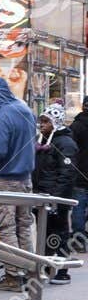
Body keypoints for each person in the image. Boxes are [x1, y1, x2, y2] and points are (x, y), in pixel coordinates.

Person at [0, 75, 37, 292]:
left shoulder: (2, 115)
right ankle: (30, 271)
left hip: (4, 179)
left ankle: (13, 276)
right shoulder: (24, 110)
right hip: (25, 180)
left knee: (6, 228)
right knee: (24, 226)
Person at [34, 104, 77, 283]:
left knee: (60, 233)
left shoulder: (65, 143)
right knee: (44, 233)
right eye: (41, 121)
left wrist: (56, 198)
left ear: (56, 122)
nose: (42, 125)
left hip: (56, 197)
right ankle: (48, 265)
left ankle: (62, 271)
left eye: (46, 121)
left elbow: (67, 173)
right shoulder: (43, 140)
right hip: (42, 194)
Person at [69, 101, 88, 236]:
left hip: (80, 172)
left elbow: (71, 149)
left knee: (78, 206)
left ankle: (78, 237)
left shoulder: (75, 126)